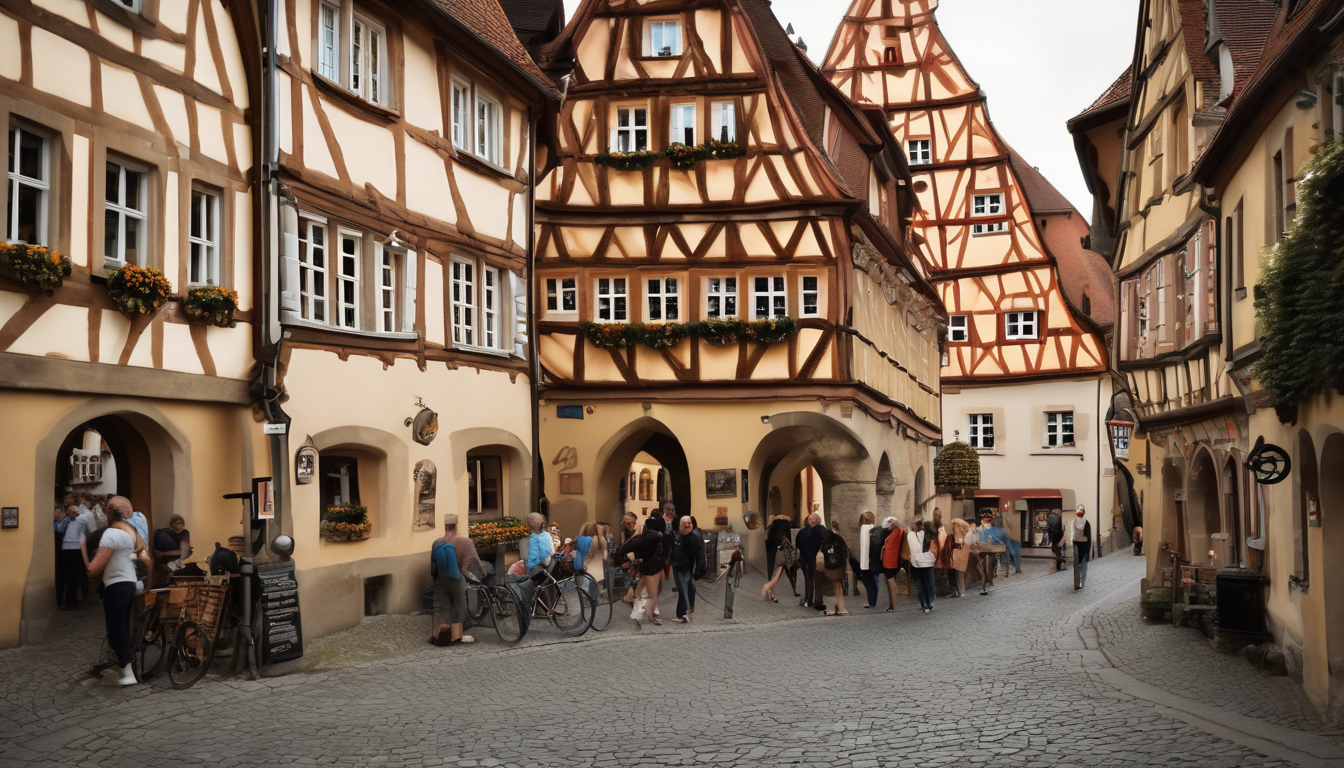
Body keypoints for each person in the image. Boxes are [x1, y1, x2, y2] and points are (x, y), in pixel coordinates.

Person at [86, 497, 150, 685]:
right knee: (122, 626)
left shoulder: (111, 534)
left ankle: (127, 671)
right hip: (129, 583)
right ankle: (127, 666)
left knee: (116, 629)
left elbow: (94, 569)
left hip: (117, 585)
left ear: (109, 514)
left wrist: (85, 561)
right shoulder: (130, 534)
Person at [615, 517, 669, 625]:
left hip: (648, 567)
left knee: (648, 592)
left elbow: (626, 547)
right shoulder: (660, 537)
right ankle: (649, 615)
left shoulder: (643, 537)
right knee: (652, 594)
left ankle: (647, 614)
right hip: (656, 567)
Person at [430, 517, 468, 646]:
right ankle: (457, 636)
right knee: (459, 606)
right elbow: (467, 563)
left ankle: (441, 634)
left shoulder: (437, 543)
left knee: (442, 606)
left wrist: (435, 579)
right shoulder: (462, 542)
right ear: (456, 527)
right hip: (457, 580)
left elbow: (433, 564)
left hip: (441, 579)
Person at [669, 516, 706, 623]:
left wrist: (700, 568)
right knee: (684, 588)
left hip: (687, 567)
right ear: (680, 525)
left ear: (692, 525)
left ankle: (685, 612)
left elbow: (700, 554)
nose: (687, 525)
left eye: (689, 523)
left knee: (686, 589)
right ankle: (685, 612)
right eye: (684, 523)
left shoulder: (694, 537)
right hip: (679, 566)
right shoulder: (675, 536)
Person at [761, 515, 798, 602]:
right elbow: (787, 540)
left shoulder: (771, 527)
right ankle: (768, 587)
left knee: (774, 573)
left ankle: (772, 593)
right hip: (781, 553)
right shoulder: (785, 527)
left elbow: (767, 541)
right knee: (780, 574)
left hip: (771, 553)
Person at [55, 504, 85, 609]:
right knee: (73, 576)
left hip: (67, 549)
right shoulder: (78, 521)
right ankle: (70, 600)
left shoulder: (68, 521)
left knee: (68, 575)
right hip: (74, 549)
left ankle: (67, 600)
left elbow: (61, 530)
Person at [795, 512, 826, 611]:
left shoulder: (802, 532)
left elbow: (798, 544)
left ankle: (808, 599)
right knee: (818, 579)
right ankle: (817, 600)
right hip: (818, 559)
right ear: (818, 521)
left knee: (808, 579)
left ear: (809, 521)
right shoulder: (822, 531)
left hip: (805, 558)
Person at [152, 514, 190, 588]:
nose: (180, 526)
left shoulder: (184, 533)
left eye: (181, 523)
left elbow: (182, 551)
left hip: (175, 560)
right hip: (165, 561)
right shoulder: (164, 533)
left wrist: (163, 554)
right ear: (172, 524)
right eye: (177, 523)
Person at [822, 520, 850, 616]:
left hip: (828, 567)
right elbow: (845, 554)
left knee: (829, 587)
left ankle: (830, 609)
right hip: (839, 567)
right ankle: (840, 607)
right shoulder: (840, 539)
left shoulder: (824, 540)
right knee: (838, 586)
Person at [908, 519, 936, 613]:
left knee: (921, 584)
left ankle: (923, 604)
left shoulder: (910, 535)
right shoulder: (928, 534)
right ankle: (930, 603)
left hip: (917, 562)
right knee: (929, 582)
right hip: (928, 561)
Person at [855, 511, 881, 609]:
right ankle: (873, 601)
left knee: (869, 582)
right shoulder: (876, 529)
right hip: (874, 560)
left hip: (866, 561)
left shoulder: (864, 528)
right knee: (874, 580)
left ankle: (872, 601)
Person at [880, 516, 904, 611]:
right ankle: (891, 604)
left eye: (890, 523)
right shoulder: (894, 532)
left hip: (891, 560)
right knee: (889, 580)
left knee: (891, 580)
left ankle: (893, 605)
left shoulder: (898, 532)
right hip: (889, 559)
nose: (888, 525)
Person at [949, 517, 972, 597]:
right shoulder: (955, 535)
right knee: (959, 574)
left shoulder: (961, 534)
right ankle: (960, 591)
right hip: (957, 556)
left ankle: (960, 591)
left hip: (959, 556)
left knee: (959, 574)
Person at [1072, 505, 1092, 590]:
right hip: (1081, 543)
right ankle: (1079, 582)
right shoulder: (1084, 522)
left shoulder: (1074, 522)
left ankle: (1079, 582)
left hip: (1078, 543)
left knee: (1079, 564)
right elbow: (1089, 536)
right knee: (1081, 564)